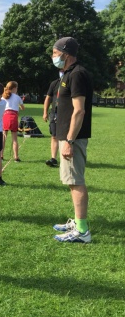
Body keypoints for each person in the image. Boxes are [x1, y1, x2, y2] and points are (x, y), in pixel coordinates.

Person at [51, 37, 93, 243]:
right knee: (71, 181)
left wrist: (69, 141)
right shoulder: (68, 74)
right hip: (67, 136)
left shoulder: (77, 74)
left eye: (55, 53)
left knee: (76, 182)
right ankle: (77, 222)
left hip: (73, 138)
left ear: (65, 54)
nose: (53, 57)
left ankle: (82, 231)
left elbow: (79, 111)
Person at [43, 72, 63, 167]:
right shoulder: (54, 83)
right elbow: (48, 98)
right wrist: (45, 112)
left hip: (66, 113)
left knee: (65, 136)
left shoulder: (71, 83)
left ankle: (66, 158)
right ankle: (53, 158)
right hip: (54, 112)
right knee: (54, 136)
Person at [1, 81, 25, 162]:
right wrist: (19, 106)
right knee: (14, 139)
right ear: (14, 88)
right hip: (13, 116)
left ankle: (1, 155)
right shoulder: (17, 97)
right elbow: (23, 108)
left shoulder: (3, 96)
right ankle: (16, 157)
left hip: (5, 116)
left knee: (4, 137)